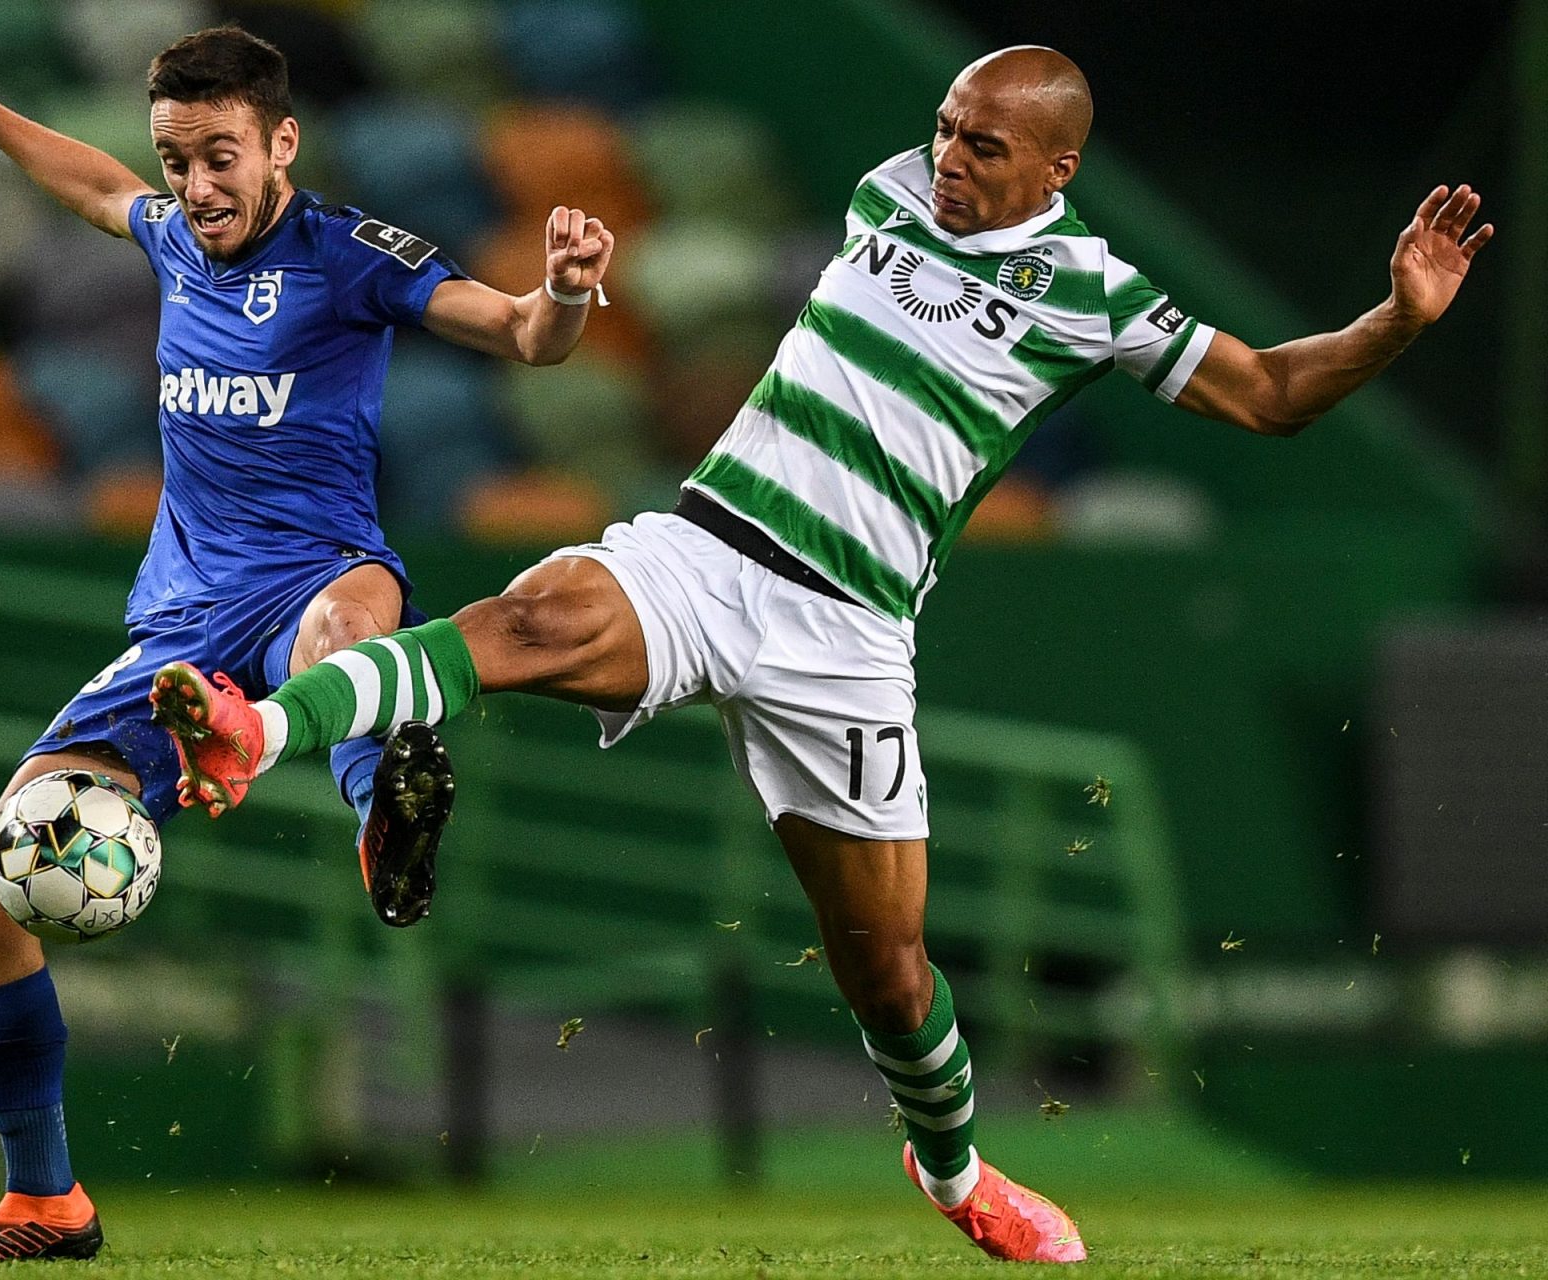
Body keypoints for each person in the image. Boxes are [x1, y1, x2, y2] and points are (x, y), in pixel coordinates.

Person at [154, 46, 1493, 1264]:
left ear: (1058, 168)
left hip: (846, 636)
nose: (951, 159)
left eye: (985, 147)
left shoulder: (1092, 291)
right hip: (711, 547)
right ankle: (254, 732)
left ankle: (955, 1167)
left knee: (887, 967)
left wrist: (1399, 320)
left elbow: (1264, 395)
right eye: (946, 127)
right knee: (531, 618)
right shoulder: (889, 189)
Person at [0, 18, 614, 1263]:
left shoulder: (349, 253)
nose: (195, 187)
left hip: (321, 572)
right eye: (177, 160)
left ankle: (387, 814)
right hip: (176, 623)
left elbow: (521, 335)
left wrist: (569, 295)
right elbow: (89, 182)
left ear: (282, 142)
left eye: (221, 157)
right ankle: (47, 1199)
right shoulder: (170, 237)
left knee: (349, 629)